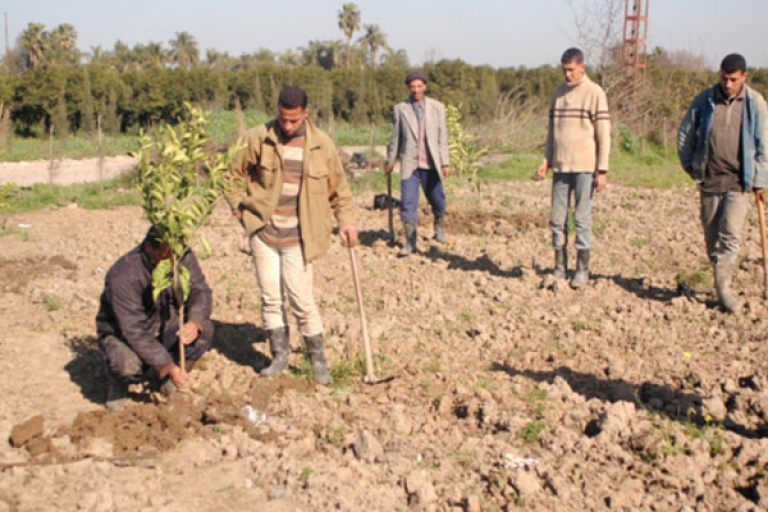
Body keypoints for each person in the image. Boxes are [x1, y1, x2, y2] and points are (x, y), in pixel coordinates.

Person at [224, 85, 358, 385]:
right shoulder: (259, 137)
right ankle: (279, 357)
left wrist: (346, 222)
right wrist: (239, 208)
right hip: (264, 234)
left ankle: (318, 360)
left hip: (301, 237)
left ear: (306, 113)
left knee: (301, 300)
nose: (287, 126)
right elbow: (230, 173)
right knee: (271, 298)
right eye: (283, 119)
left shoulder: (322, 145)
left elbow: (340, 190)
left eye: (294, 120)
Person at [678, 53, 768, 312]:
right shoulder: (705, 100)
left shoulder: (755, 104)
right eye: (724, 78)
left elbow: (764, 144)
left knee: (730, 235)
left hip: (739, 181)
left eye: (733, 79)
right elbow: (685, 132)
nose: (727, 84)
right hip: (709, 178)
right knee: (712, 236)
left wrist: (760, 181)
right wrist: (688, 164)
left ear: (744, 77)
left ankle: (724, 290)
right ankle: (721, 279)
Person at [96, 228, 214, 411]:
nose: (172, 260)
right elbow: (133, 330)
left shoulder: (180, 255)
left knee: (204, 330)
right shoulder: (124, 276)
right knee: (126, 365)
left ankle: (171, 379)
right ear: (149, 247)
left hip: (164, 324)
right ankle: (118, 385)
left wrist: (194, 321)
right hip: (124, 335)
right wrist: (166, 364)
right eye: (166, 254)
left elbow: (200, 290)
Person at [534, 48, 611, 288]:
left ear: (582, 68)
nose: (567, 75)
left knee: (581, 218)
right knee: (557, 219)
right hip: (561, 167)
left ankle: (582, 269)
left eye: (571, 70)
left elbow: (603, 134)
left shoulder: (594, 93)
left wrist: (602, 169)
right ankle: (559, 266)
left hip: (585, 168)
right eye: (564, 70)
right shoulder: (558, 93)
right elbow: (552, 131)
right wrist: (547, 160)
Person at [384, 71, 451, 257]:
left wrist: (445, 162)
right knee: (408, 203)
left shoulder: (437, 108)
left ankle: (439, 226)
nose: (416, 90)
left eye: (419, 86)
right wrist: (391, 160)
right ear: (408, 88)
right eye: (412, 87)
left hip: (431, 164)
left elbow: (442, 137)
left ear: (425, 87)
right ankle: (410, 242)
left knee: (437, 199)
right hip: (410, 164)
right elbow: (396, 138)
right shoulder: (401, 109)